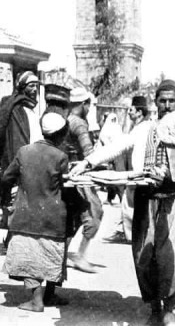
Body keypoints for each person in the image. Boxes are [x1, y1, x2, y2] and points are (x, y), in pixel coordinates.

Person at [71, 80, 175, 326]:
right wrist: (87, 163)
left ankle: (172, 310)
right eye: (163, 100)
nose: (167, 106)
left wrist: (171, 173)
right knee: (144, 256)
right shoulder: (144, 129)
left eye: (172, 100)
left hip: (173, 201)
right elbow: (119, 146)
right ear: (155, 102)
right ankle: (155, 307)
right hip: (145, 199)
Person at [2, 112, 70, 312]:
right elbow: (68, 185)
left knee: (30, 258)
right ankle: (47, 297)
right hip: (53, 217)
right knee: (50, 256)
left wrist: (6, 200)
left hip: (26, 215)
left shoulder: (24, 152)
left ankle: (37, 299)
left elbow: (7, 178)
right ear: (61, 135)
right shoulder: (61, 157)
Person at [100, 95, 153, 244]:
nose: (129, 113)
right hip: (136, 174)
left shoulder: (143, 129)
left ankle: (133, 237)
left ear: (139, 113)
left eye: (131, 110)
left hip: (140, 175)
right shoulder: (138, 128)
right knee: (129, 205)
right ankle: (131, 234)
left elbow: (118, 147)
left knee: (130, 205)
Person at [64, 87, 103, 273]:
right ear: (84, 104)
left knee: (74, 217)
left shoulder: (66, 119)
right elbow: (88, 151)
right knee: (94, 214)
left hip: (68, 175)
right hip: (80, 176)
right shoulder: (79, 124)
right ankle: (79, 255)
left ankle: (62, 255)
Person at [0, 71, 43, 226]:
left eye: (36, 86)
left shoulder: (30, 107)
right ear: (23, 87)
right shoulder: (16, 108)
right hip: (17, 156)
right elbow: (17, 137)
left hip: (30, 153)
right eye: (31, 86)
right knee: (14, 193)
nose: (35, 89)